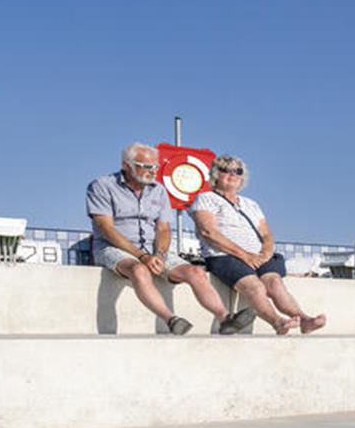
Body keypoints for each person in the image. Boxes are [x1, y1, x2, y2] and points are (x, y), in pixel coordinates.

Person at [85, 143, 236, 335]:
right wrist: (141, 256)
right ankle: (171, 319)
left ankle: (226, 318)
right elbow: (105, 228)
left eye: (155, 167)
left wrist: (160, 254)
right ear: (126, 165)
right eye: (146, 166)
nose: (152, 171)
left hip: (152, 249)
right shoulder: (102, 186)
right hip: (112, 247)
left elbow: (163, 228)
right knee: (139, 270)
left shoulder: (159, 190)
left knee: (195, 272)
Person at [191, 156, 327, 335]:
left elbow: (266, 234)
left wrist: (265, 253)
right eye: (226, 170)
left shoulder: (250, 204)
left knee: (274, 283)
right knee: (255, 286)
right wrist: (245, 255)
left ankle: (304, 319)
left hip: (257, 256)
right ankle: (277, 322)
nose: (232, 175)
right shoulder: (206, 198)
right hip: (224, 256)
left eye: (237, 171)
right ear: (216, 174)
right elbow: (208, 232)